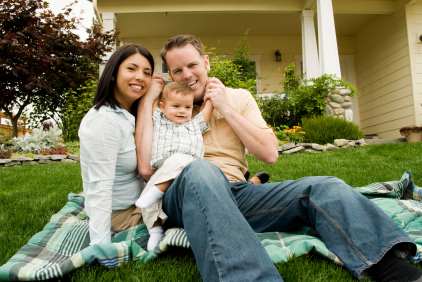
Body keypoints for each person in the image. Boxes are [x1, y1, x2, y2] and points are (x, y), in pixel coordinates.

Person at [135, 34, 422, 282]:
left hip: (238, 194)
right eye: (177, 70)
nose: (186, 75)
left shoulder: (239, 98)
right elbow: (147, 168)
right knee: (201, 169)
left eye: (192, 65)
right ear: (170, 75)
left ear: (206, 62)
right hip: (183, 195)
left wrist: (225, 107)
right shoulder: (163, 109)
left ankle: (390, 265)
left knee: (325, 187)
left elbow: (270, 154)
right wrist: (148, 102)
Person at [78, 44, 164, 245]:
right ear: (114, 73)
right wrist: (100, 246)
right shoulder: (104, 121)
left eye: (147, 72)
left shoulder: (128, 116)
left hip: (140, 202)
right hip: (121, 214)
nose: (140, 77)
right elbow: (101, 187)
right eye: (131, 69)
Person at [135, 81, 214, 251]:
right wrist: (155, 86)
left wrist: (211, 95)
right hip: (164, 169)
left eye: (187, 107)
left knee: (179, 159)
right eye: (176, 106)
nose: (182, 111)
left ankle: (158, 190)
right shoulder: (159, 119)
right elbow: (153, 102)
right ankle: (155, 230)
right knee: (146, 197)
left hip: (188, 168)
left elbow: (207, 110)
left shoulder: (194, 124)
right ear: (163, 107)